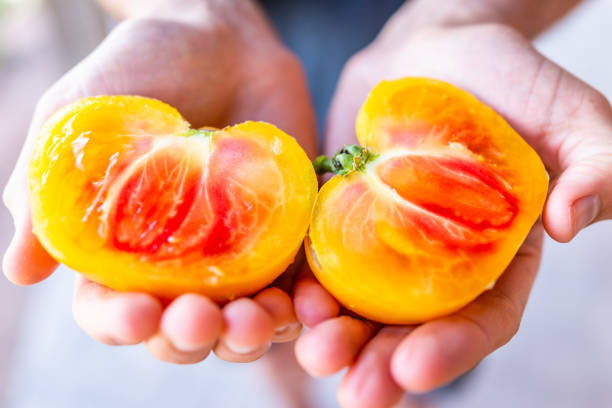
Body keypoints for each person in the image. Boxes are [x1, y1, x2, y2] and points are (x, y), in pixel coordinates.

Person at [3, 0, 611, 406]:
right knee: (256, 322)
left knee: (388, 347)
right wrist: (192, 12)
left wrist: (458, 16)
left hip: (407, 19)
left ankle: (383, 391)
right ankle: (287, 383)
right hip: (234, 47)